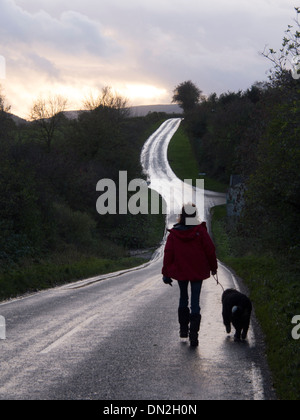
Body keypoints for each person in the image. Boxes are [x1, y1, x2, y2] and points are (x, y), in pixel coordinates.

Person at [162, 204, 218, 347]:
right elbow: (210, 250)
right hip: (197, 271)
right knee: (195, 302)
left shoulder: (174, 233)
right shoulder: (200, 231)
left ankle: (183, 330)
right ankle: (194, 335)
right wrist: (213, 268)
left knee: (183, 297)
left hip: (181, 271)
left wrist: (166, 273)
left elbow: (168, 254)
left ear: (182, 215)